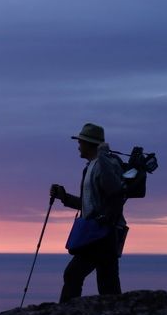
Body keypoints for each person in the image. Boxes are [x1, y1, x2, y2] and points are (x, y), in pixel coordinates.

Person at [50, 122, 126, 302]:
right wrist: (64, 197)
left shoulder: (106, 164)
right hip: (101, 232)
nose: (78, 146)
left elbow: (114, 190)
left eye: (80, 142)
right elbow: (89, 204)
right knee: (108, 282)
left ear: (89, 143)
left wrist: (103, 156)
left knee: (73, 274)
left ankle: (67, 314)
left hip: (102, 233)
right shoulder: (91, 166)